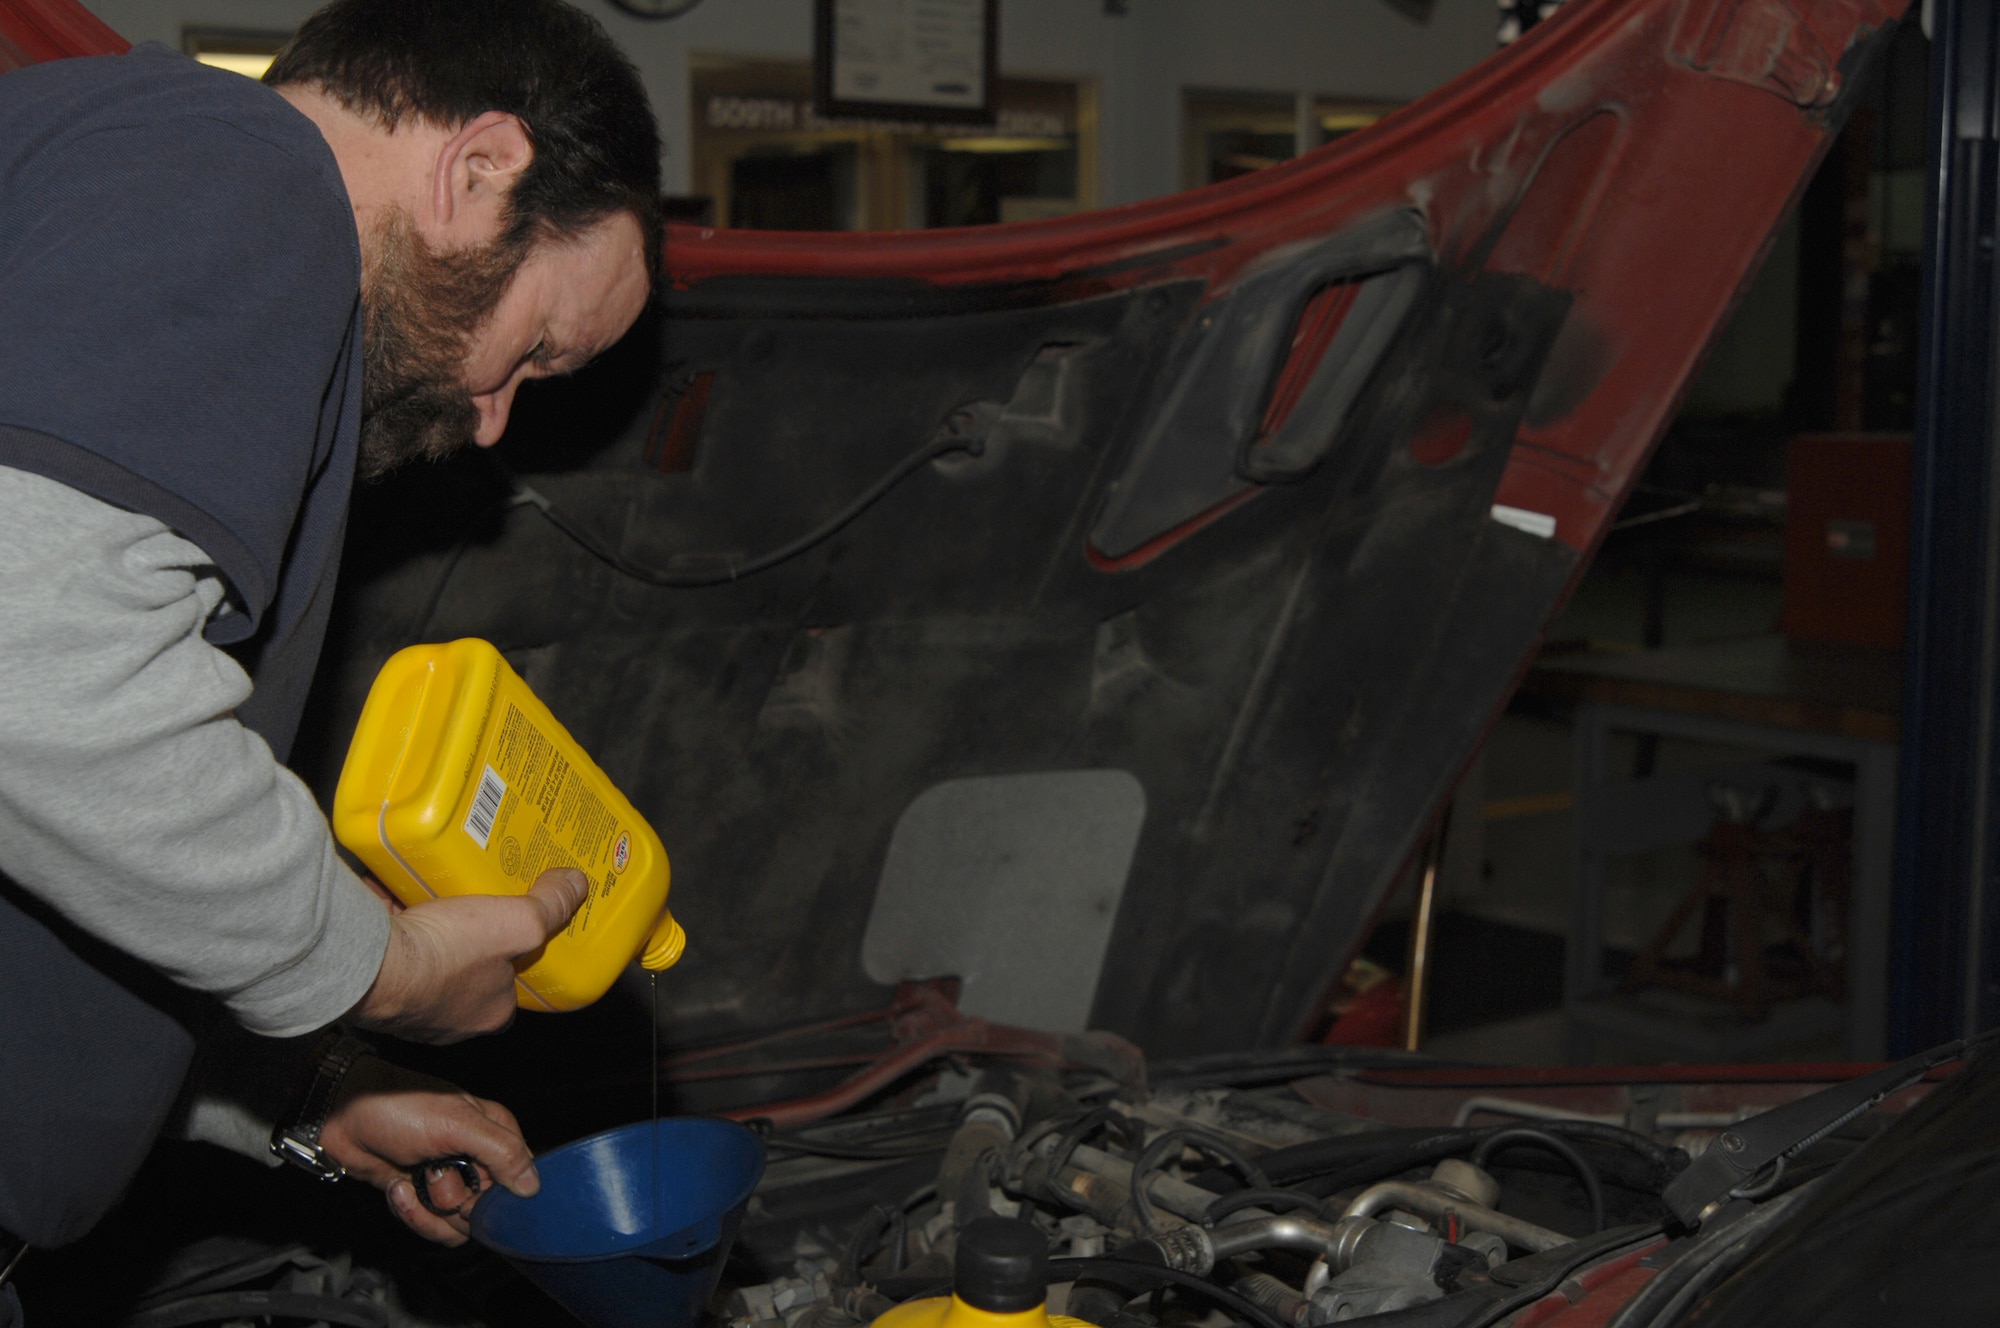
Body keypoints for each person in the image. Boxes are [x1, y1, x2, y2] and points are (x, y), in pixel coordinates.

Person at [0, 0, 662, 1312]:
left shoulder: (115, 173)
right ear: (479, 168)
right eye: (531, 350)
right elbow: (37, 673)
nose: (490, 422)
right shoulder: (235, 167)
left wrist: (301, 1091)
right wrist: (386, 970)